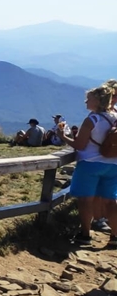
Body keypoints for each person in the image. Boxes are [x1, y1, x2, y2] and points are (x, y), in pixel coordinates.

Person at [61, 83, 117, 247]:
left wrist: (62, 136)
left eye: (89, 98)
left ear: (98, 101)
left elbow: (79, 145)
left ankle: (85, 235)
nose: (86, 101)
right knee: (111, 201)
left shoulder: (91, 120)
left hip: (90, 164)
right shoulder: (115, 117)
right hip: (113, 165)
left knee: (85, 200)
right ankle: (115, 236)